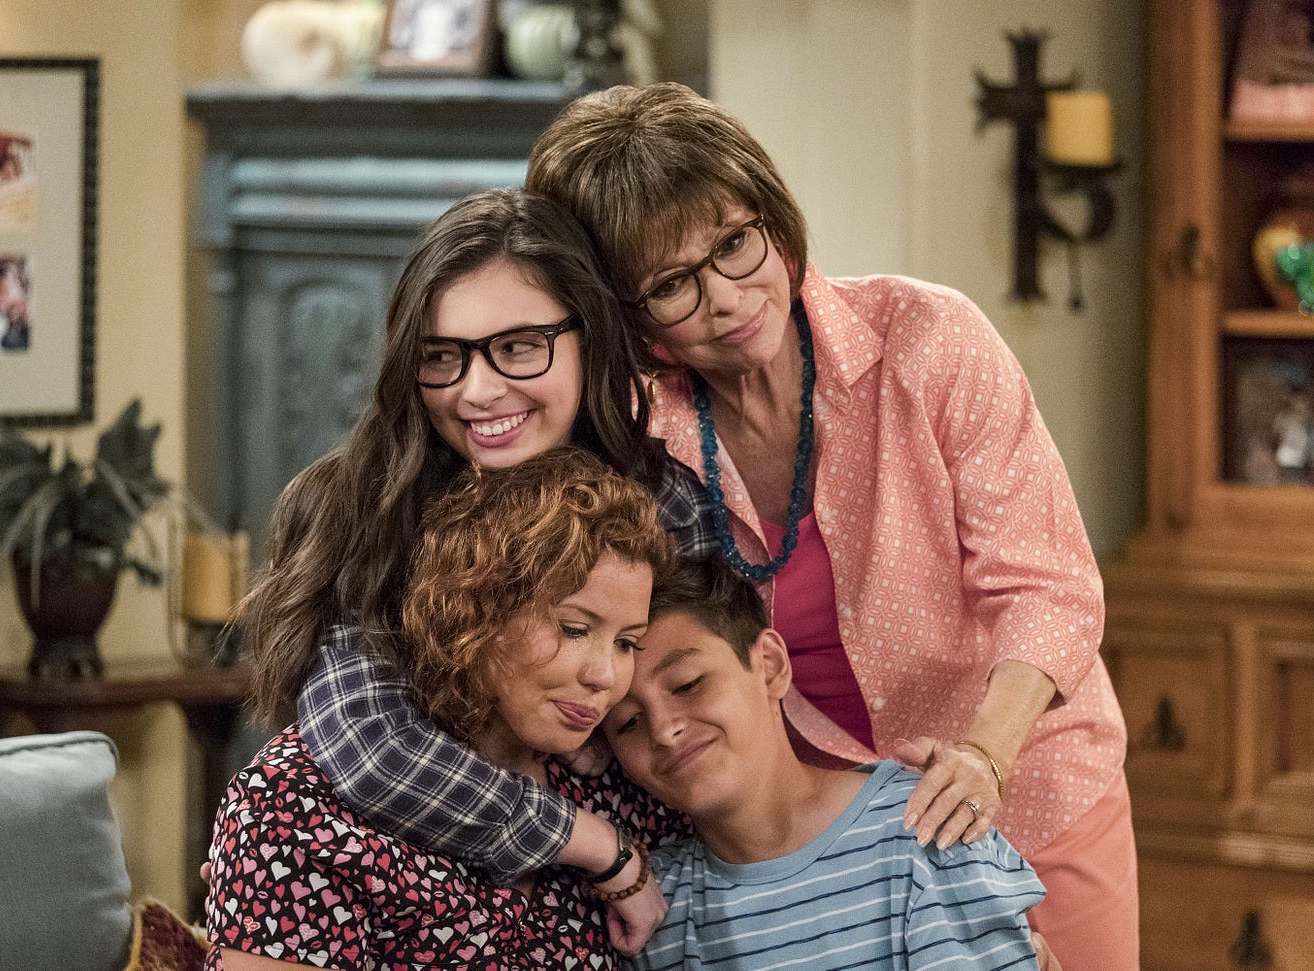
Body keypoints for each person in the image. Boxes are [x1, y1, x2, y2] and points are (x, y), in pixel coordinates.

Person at [526, 82, 1133, 969]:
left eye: (736, 243)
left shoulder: (930, 338)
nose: (728, 297)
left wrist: (983, 759)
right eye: (671, 286)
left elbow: (1050, 588)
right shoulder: (636, 431)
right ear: (626, 315)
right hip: (816, 838)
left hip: (1024, 777)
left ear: (772, 215)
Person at [247, 187, 715, 953]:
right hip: (431, 889)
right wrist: (597, 846)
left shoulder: (666, 509)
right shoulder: (367, 506)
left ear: (588, 340)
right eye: (443, 356)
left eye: (520, 345)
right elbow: (369, 744)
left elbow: (695, 714)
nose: (477, 389)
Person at [207, 449, 676, 969]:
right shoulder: (291, 804)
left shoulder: (614, 785)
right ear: (474, 608)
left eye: (627, 642)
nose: (605, 677)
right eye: (574, 629)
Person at [606, 555, 1057, 971]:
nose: (663, 730)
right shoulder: (650, 906)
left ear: (769, 665)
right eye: (627, 723)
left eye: (688, 684)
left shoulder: (926, 829)